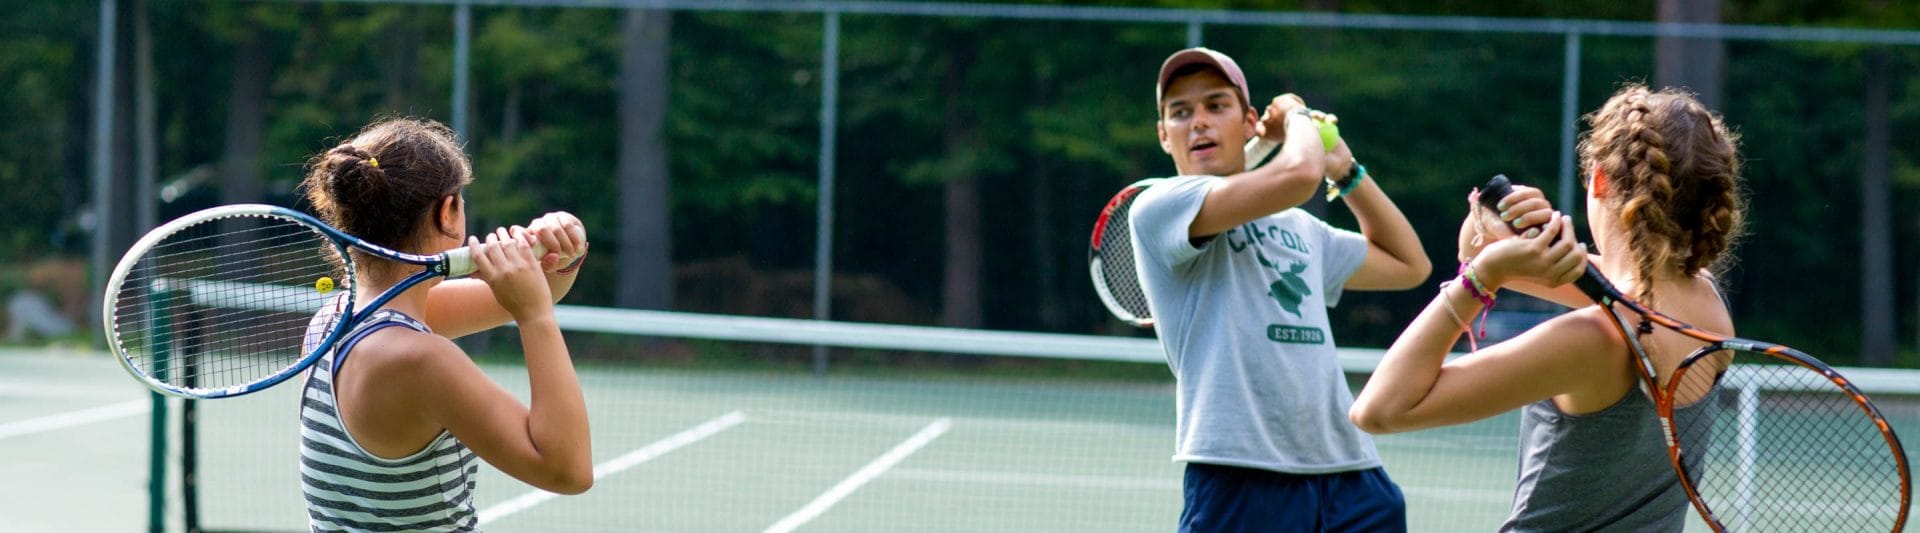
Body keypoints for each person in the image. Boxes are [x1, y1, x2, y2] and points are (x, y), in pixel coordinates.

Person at [1348, 84, 1745, 531]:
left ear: (1599, 179)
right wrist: (1491, 222)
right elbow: (1479, 252)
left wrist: (1479, 282)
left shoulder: (1591, 340)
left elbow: (1378, 410)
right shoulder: (1707, 301)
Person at [1130, 47, 1431, 532]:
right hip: (1239, 472)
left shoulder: (1300, 227)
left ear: (1249, 121)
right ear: (1164, 136)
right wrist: (1295, 116)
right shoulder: (1161, 205)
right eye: (1181, 113)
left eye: (1216, 105)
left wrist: (1347, 171)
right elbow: (1297, 176)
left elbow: (1408, 264)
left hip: (1351, 473)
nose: (1199, 122)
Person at [295, 118, 595, 531]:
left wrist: (565, 244)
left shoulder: (336, 320)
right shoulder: (419, 359)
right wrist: (536, 316)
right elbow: (568, 470)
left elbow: (533, 289)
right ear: (448, 211)